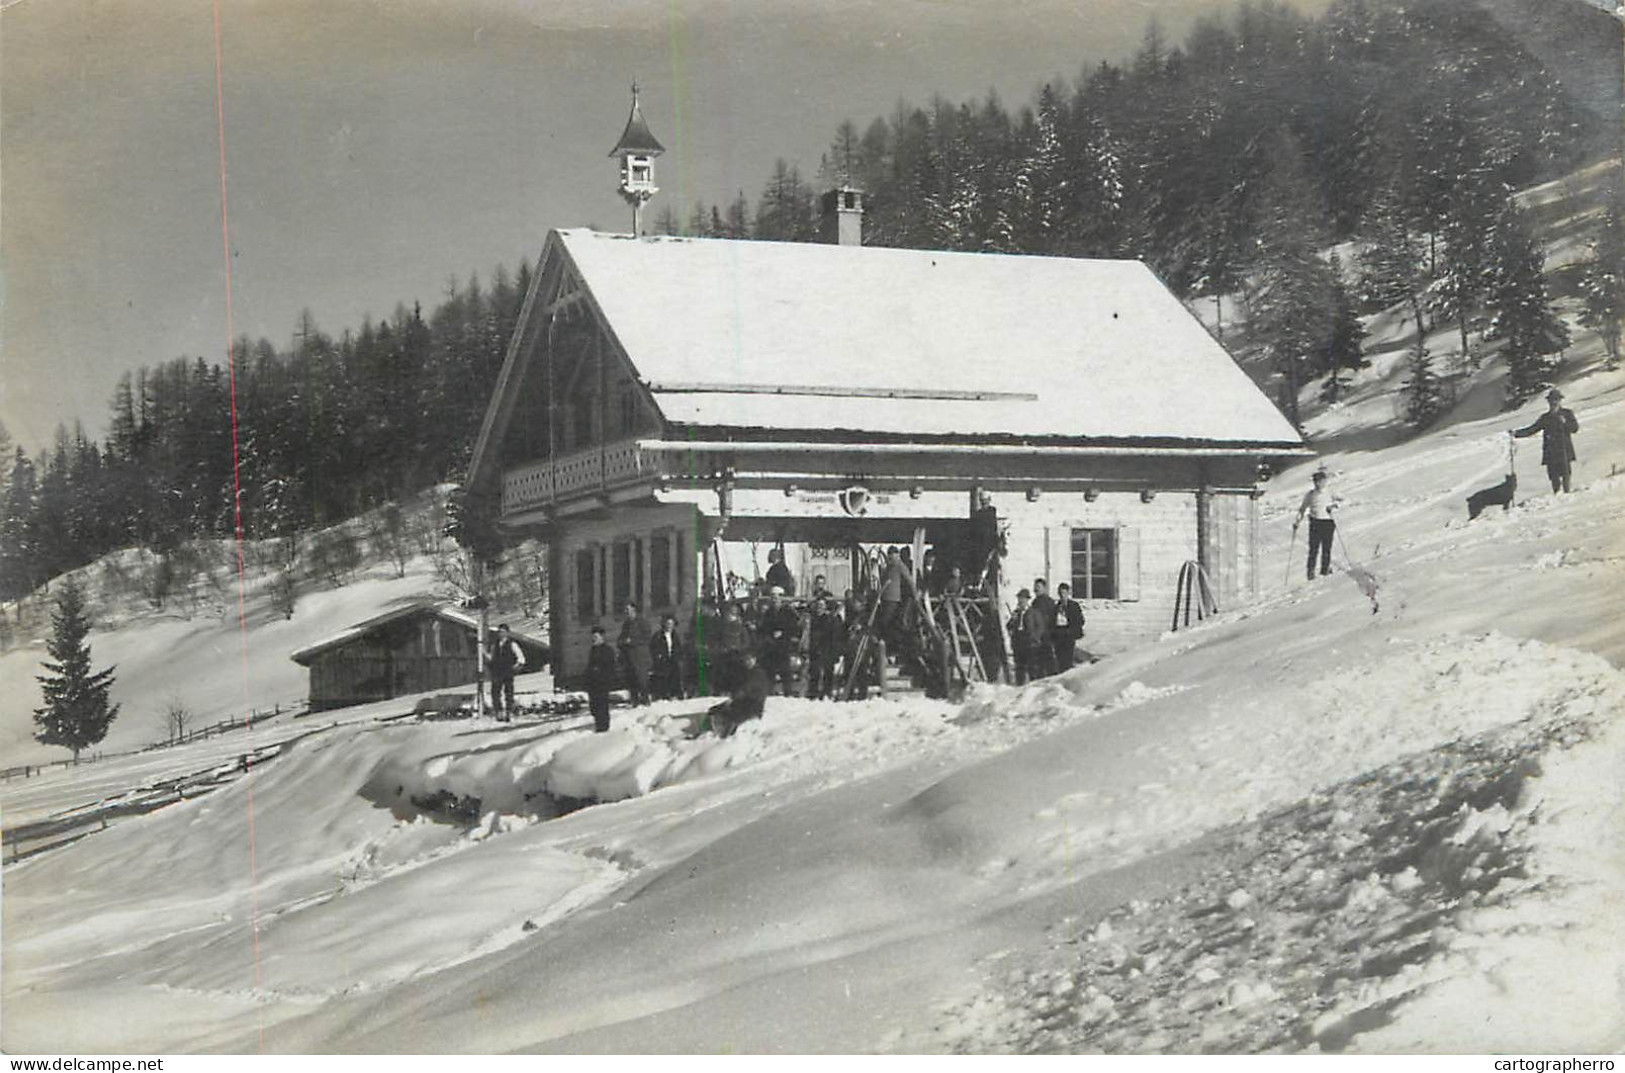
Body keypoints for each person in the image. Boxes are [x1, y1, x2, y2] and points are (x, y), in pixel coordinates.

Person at [1513, 388, 1580, 494]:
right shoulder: (1545, 417)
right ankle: (1556, 494)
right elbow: (1533, 429)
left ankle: (1567, 494)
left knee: (1566, 473)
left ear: (1560, 401)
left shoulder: (1567, 413)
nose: (1553, 402)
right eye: (1551, 400)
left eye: (1556, 400)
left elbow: (1575, 428)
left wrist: (1564, 423)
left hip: (1564, 449)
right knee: (1553, 476)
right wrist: (1516, 433)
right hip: (1551, 450)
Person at [707, 651, 771, 739]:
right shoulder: (745, 672)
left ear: (754, 660)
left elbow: (747, 687)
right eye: (745, 660)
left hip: (753, 704)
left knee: (732, 715)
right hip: (742, 701)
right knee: (716, 710)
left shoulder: (758, 674)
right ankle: (712, 732)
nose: (747, 662)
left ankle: (726, 737)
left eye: (749, 660)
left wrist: (735, 696)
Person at [1293, 469, 1343, 580]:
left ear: (1325, 481)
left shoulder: (1330, 492)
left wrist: (1334, 506)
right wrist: (1297, 522)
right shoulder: (1310, 494)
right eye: (1316, 481)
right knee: (1313, 548)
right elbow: (1302, 509)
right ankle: (1310, 571)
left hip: (1327, 522)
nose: (1318, 483)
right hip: (1315, 522)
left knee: (1326, 547)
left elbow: (1344, 500)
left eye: (1320, 481)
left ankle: (1325, 569)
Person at [758, 587, 802, 697]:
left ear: (781, 599)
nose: (775, 600)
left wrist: (783, 633)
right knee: (770, 671)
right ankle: (770, 694)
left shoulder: (788, 612)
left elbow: (794, 628)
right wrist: (769, 635)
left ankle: (788, 693)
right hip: (771, 646)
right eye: (773, 597)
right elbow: (764, 628)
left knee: (785, 672)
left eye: (777, 598)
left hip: (783, 645)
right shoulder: (768, 613)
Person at [806, 597, 844, 700]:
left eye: (822, 606)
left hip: (827, 648)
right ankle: (813, 693)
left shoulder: (829, 619)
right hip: (815, 649)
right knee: (814, 672)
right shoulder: (812, 619)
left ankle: (827, 692)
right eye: (818, 605)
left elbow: (834, 636)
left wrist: (835, 651)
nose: (819, 608)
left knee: (828, 672)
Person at [486, 623, 525, 720]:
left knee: (508, 692)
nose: (501, 634)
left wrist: (516, 666)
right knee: (495, 692)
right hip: (497, 671)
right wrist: (483, 653)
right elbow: (491, 657)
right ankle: (498, 712)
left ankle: (508, 711)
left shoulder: (512, 644)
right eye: (499, 632)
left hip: (507, 671)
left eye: (503, 632)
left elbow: (521, 657)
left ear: (507, 633)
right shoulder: (494, 645)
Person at [617, 602, 653, 705]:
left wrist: (632, 641)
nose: (626, 612)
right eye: (625, 610)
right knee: (631, 679)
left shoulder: (642, 622)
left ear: (634, 610)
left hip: (640, 656)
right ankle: (634, 701)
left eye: (628, 609)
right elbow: (621, 638)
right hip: (629, 657)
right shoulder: (626, 624)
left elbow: (647, 638)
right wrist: (622, 642)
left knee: (642, 679)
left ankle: (645, 700)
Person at [584, 626, 618, 733]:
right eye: (592, 636)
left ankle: (603, 728)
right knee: (594, 706)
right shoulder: (593, 650)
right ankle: (598, 725)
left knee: (602, 706)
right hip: (593, 683)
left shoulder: (607, 650)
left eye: (596, 636)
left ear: (602, 637)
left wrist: (602, 674)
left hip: (602, 682)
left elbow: (610, 667)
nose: (593, 639)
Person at [649, 614, 685, 700]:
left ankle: (676, 694)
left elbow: (678, 646)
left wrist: (678, 656)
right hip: (663, 660)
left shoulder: (675, 635)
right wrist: (658, 656)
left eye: (671, 624)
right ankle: (664, 695)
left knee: (676, 677)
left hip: (673, 659)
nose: (670, 626)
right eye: (668, 624)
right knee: (664, 678)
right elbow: (653, 647)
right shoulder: (658, 635)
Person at [1027, 579, 1057, 679]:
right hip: (1038, 636)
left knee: (1047, 661)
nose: (1036, 589)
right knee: (1039, 662)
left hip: (1046, 635)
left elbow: (1051, 618)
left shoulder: (1048, 602)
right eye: (1035, 587)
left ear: (1044, 588)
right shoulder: (1035, 602)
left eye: (1038, 587)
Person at [1052, 583, 1085, 672]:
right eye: (1060, 593)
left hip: (1069, 635)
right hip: (1058, 635)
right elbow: (1052, 622)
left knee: (1068, 658)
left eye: (1064, 593)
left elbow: (1080, 620)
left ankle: (1067, 672)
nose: (1062, 596)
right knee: (1060, 658)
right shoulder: (1056, 607)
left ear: (1068, 593)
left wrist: (1072, 630)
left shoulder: (1073, 606)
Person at [1007, 588, 1035, 685]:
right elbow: (1008, 626)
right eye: (1019, 598)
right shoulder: (1016, 612)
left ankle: (1032, 688)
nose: (1020, 601)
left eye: (1023, 599)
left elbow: (1038, 627)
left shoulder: (1033, 612)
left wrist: (1034, 639)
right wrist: (1012, 620)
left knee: (1031, 668)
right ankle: (1019, 686)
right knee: (1019, 668)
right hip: (1018, 643)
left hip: (1028, 643)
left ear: (1027, 600)